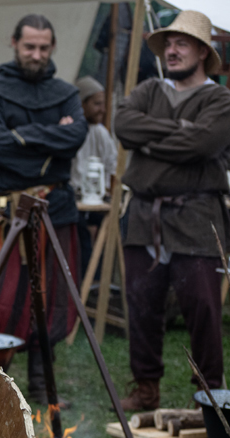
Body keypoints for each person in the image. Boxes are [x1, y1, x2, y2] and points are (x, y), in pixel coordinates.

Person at [115, 10, 230, 410]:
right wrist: (180, 130)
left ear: (203, 51)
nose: (172, 50)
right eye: (168, 44)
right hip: (144, 216)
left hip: (197, 217)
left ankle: (210, 395)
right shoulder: (149, 90)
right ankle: (146, 389)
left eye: (182, 43)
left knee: (203, 310)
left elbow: (203, 144)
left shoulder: (220, 99)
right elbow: (124, 126)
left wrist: (149, 142)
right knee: (141, 304)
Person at [0, 14, 87, 406]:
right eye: (29, 47)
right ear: (14, 43)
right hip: (6, 214)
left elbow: (76, 137)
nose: (36, 55)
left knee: (50, 300)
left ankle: (42, 388)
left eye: (43, 47)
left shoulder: (66, 93)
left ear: (52, 47)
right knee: (0, 303)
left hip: (55, 210)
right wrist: (52, 137)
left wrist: (20, 137)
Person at [71, 76, 118, 277]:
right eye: (97, 104)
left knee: (114, 229)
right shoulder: (69, 130)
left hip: (96, 200)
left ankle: (99, 281)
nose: (103, 110)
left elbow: (113, 167)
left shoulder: (101, 133)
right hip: (74, 201)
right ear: (82, 104)